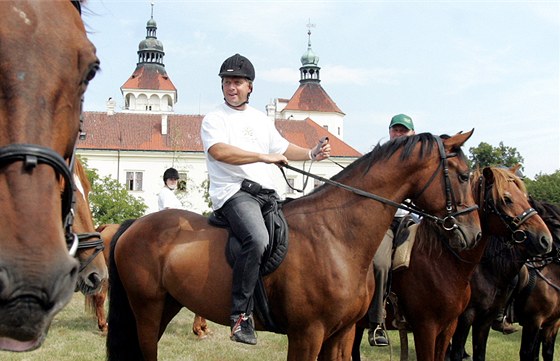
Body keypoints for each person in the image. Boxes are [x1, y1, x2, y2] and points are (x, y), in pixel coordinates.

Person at [200, 53, 331, 345]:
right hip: (234, 193)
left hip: (268, 194)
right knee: (258, 239)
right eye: (226, 82)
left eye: (237, 82)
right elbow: (219, 152)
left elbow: (282, 147)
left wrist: (311, 153)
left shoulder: (260, 118)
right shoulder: (215, 119)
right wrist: (262, 156)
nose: (231, 87)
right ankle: (240, 316)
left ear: (250, 87)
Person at [367, 114, 416, 347]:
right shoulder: (379, 159)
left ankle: (417, 315)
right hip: (385, 222)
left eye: (403, 131)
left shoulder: (420, 160)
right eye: (395, 130)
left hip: (412, 221)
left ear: (412, 134)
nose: (399, 134)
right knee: (380, 264)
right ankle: (377, 323)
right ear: (389, 132)